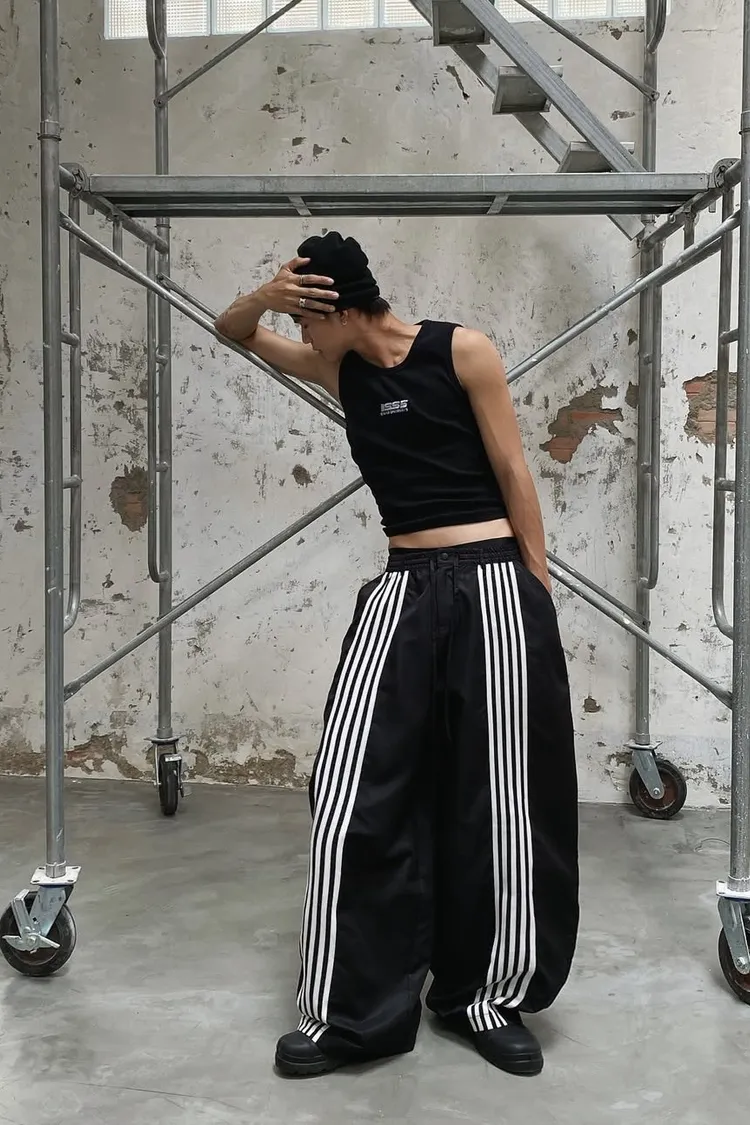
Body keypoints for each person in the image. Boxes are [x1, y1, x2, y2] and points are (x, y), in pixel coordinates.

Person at [215, 232, 579, 1079]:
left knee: (501, 800)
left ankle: (485, 997)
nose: (301, 336)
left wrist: (538, 594)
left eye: (307, 318)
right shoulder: (339, 370)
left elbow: (514, 470)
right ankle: (350, 1014)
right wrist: (267, 295)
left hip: (494, 580)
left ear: (341, 308)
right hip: (404, 585)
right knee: (352, 794)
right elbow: (232, 332)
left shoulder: (464, 350)